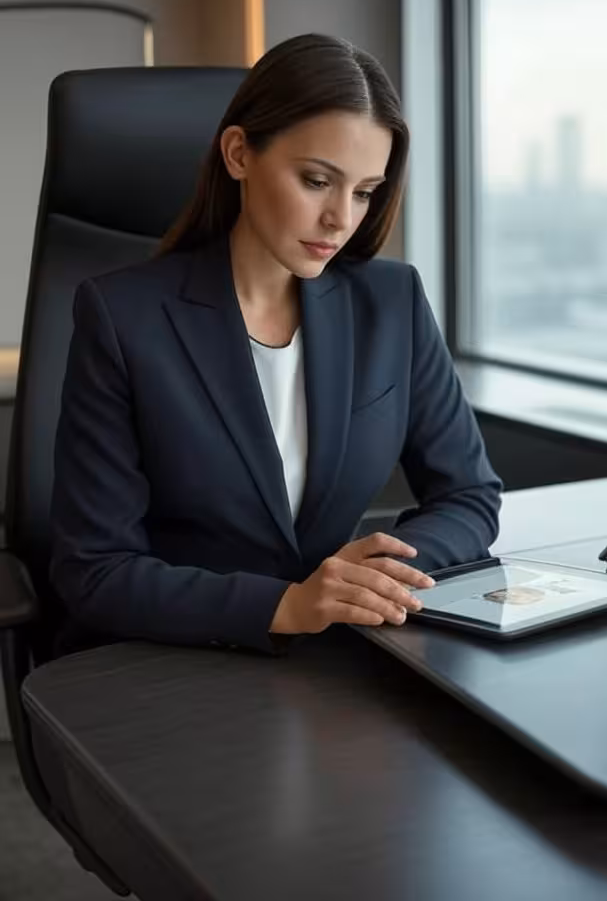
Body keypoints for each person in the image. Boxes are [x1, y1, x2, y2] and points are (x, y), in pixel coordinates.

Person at [49, 33, 502, 657]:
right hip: (168, 663)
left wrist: (377, 577)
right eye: (317, 180)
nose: (342, 218)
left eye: (365, 191)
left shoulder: (390, 302)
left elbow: (470, 495)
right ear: (239, 153)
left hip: (339, 654)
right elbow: (95, 570)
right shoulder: (123, 317)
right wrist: (284, 605)